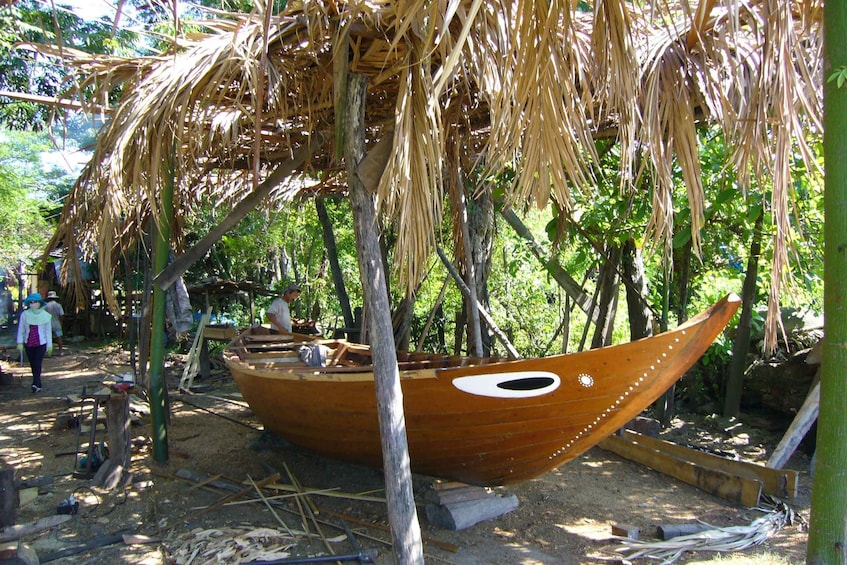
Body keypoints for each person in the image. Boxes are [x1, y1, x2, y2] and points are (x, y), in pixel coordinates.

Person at [16, 293, 53, 393]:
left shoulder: (46, 316)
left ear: (39, 303)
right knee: (33, 364)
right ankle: (38, 383)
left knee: (37, 363)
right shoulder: (25, 315)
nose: (33, 304)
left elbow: (48, 332)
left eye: (35, 302)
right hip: (29, 343)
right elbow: (21, 329)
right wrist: (20, 342)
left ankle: (35, 384)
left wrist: (49, 346)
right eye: (31, 302)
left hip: (41, 343)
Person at [43, 290, 65, 355]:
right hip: (56, 323)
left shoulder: (45, 306)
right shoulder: (58, 305)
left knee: (47, 338)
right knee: (59, 337)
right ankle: (60, 351)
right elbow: (61, 315)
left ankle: (47, 352)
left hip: (47, 324)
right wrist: (61, 322)